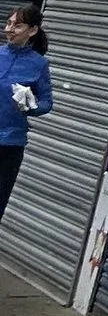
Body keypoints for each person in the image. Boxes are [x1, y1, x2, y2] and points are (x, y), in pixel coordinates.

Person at [0, 12, 51, 221]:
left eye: (17, 26)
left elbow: (47, 102)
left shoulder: (39, 65)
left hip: (10, 145)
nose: (9, 30)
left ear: (32, 30)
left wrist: (30, 105)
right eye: (9, 23)